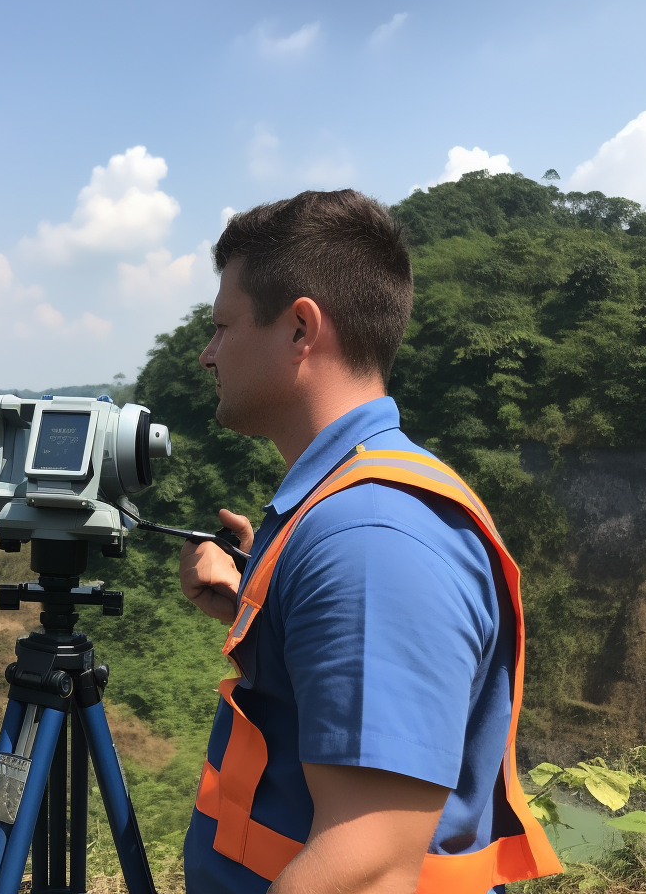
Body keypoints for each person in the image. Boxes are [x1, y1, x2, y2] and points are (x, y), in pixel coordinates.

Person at [178, 190, 561, 894]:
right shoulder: (345, 508)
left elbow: (367, 865)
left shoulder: (370, 536)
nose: (207, 355)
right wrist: (258, 617)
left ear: (300, 328)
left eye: (222, 327)